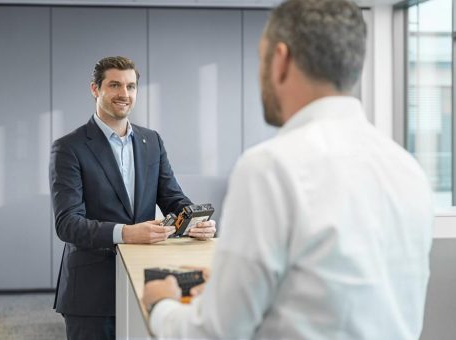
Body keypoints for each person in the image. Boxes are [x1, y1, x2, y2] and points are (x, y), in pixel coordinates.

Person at [142, 0, 433, 339]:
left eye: (261, 60)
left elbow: (213, 334)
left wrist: (161, 304)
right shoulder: (408, 170)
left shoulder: (270, 168)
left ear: (280, 60)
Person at [49, 56, 216, 340]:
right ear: (95, 89)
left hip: (144, 281)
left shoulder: (151, 141)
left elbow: (173, 198)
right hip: (91, 290)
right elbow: (68, 224)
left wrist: (197, 221)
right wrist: (126, 233)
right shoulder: (69, 147)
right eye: (114, 85)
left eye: (131, 86)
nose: (124, 94)